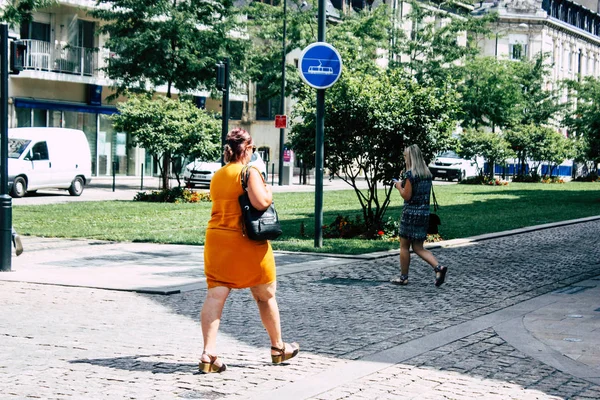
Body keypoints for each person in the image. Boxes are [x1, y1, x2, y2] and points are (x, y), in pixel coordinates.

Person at [199, 128, 299, 374]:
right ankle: (278, 348)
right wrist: (269, 191)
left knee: (215, 295)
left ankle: (208, 353)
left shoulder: (219, 174)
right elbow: (261, 202)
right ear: (248, 149)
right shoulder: (249, 171)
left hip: (216, 239)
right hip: (245, 240)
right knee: (265, 293)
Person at [391, 144, 447, 287]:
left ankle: (403, 277)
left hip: (410, 214)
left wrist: (398, 186)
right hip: (424, 214)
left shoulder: (410, 175)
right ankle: (438, 268)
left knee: (404, 246)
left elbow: (407, 196)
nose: (404, 159)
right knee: (418, 247)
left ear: (410, 157)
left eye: (405, 156)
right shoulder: (426, 174)